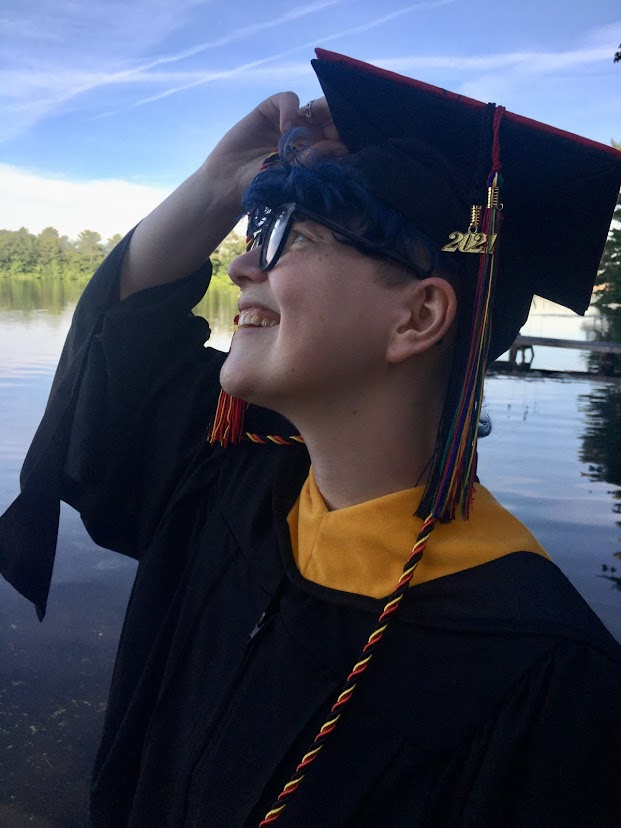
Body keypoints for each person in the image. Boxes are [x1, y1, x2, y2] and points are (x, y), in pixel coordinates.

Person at [1, 49, 621, 828]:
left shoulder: (549, 681)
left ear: (417, 317)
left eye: (290, 233)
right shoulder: (222, 486)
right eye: (258, 228)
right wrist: (218, 188)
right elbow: (119, 349)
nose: (243, 266)